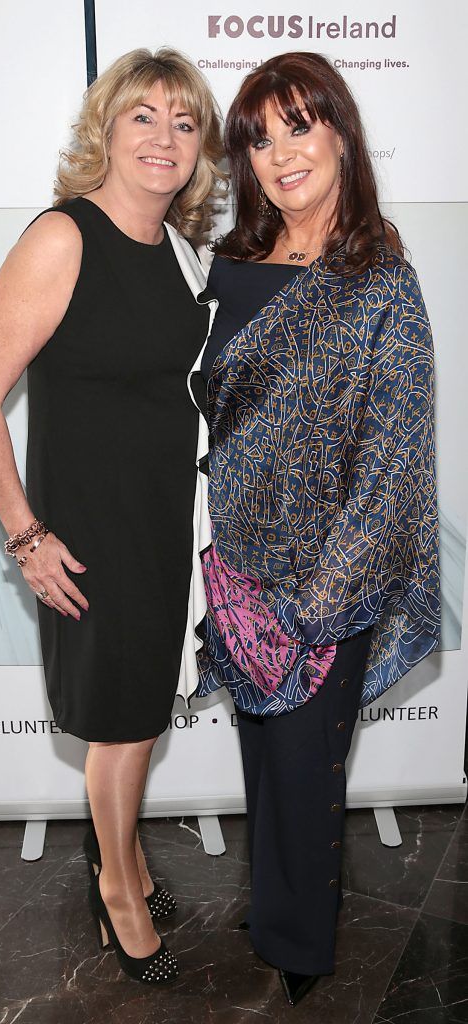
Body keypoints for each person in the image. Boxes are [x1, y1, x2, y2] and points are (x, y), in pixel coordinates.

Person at [0, 47, 222, 985]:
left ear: (200, 151)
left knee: (143, 711)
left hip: (165, 523)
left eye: (183, 123)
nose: (163, 138)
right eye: (142, 116)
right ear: (104, 129)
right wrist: (25, 536)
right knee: (122, 723)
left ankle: (129, 859)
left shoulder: (181, 253)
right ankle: (118, 893)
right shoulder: (63, 237)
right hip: (88, 534)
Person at [196, 51, 440, 1007]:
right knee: (264, 759)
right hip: (225, 566)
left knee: (304, 768)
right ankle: (272, 909)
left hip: (325, 577)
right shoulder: (224, 268)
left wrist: (318, 601)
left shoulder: (379, 281)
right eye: (258, 137)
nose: (279, 153)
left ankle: (301, 950)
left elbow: (393, 462)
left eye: (299, 126)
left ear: (340, 132)